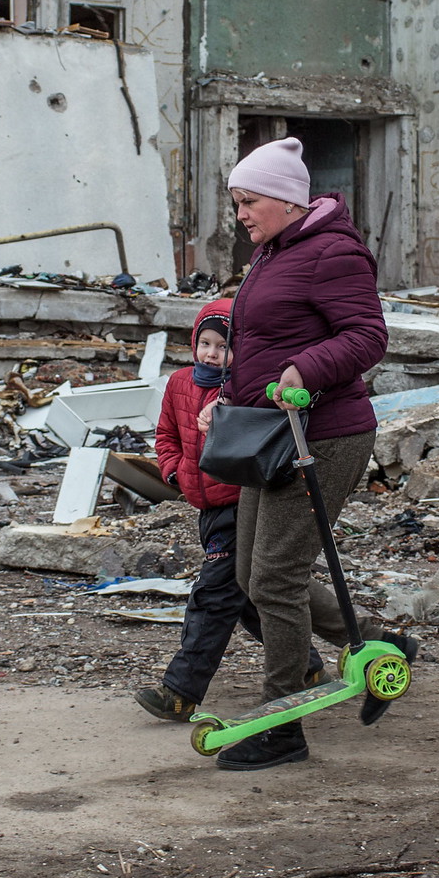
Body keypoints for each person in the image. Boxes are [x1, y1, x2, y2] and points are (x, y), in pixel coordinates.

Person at [208, 136, 415, 771]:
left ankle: (284, 719)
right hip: (266, 433)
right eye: (236, 202)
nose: (240, 215)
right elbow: (264, 335)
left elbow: (367, 335)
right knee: (251, 575)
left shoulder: (331, 251)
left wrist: (307, 370)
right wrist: (225, 392)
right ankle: (378, 645)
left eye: (248, 202)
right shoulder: (275, 252)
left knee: (275, 577)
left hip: (322, 436)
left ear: (287, 199)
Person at [134, 298, 321, 723]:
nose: (212, 354)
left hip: (242, 506)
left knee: (213, 597)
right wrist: (173, 473)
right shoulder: (179, 384)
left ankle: (180, 692)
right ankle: (306, 666)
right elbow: (165, 435)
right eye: (206, 343)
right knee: (249, 598)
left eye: (224, 346)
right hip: (206, 508)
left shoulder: (242, 389)